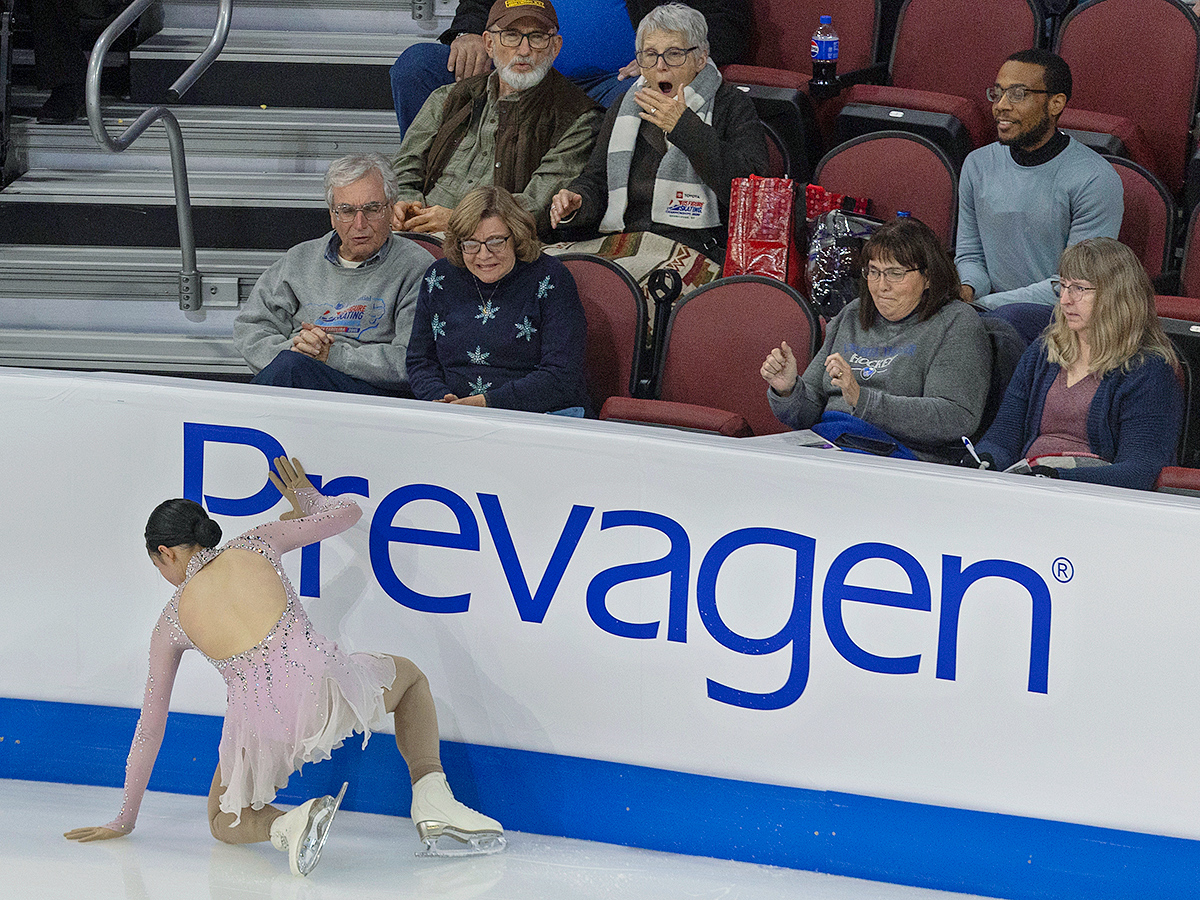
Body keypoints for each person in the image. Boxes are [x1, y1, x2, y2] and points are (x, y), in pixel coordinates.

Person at [65, 457, 505, 873]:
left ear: (166, 553)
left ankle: (288, 824)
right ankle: (431, 795)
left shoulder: (170, 622)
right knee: (409, 681)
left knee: (222, 817)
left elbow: (150, 726)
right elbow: (348, 512)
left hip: (261, 731)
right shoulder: (257, 541)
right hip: (328, 691)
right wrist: (308, 502)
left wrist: (124, 818)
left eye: (158, 564)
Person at [548, 2, 768, 264]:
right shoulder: (625, 105)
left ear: (701, 57)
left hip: (694, 246)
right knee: (539, 269)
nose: (661, 66)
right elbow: (596, 179)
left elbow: (754, 194)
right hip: (624, 240)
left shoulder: (731, 104)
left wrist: (685, 128)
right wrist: (577, 202)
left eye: (674, 54)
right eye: (650, 55)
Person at [761, 217, 991, 463]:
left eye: (895, 273)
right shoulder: (852, 314)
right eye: (874, 272)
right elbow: (806, 413)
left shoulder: (956, 322)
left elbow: (954, 418)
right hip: (829, 444)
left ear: (929, 277)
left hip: (897, 458)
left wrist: (863, 400)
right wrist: (788, 390)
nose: (882, 286)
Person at [971, 238, 1183, 490]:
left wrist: (1057, 479)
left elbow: (1139, 470)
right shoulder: (1044, 352)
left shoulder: (1148, 371)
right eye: (1062, 286)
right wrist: (986, 460)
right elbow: (1003, 436)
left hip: (1092, 499)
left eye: (1079, 289)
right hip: (1029, 486)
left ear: (1115, 295)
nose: (1065, 300)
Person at [389, 0, 604, 238]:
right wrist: (406, 205)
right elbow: (404, 168)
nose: (524, 50)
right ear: (489, 44)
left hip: (495, 243)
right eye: (511, 36)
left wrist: (457, 221)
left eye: (537, 37)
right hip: (417, 229)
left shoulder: (578, 118)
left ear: (555, 47)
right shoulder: (448, 97)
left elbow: (538, 206)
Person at [388, 0, 751, 137]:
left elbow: (727, 21)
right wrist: (468, 31)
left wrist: (662, 58)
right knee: (417, 66)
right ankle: (421, 193)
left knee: (641, 94)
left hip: (611, 81)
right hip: (513, 66)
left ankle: (587, 214)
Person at [234, 153, 431, 396]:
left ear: (391, 209)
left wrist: (331, 355)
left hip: (373, 394)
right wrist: (299, 350)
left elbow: (414, 359)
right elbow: (251, 330)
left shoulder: (417, 267)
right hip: (296, 376)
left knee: (288, 371)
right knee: (290, 368)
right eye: (346, 211)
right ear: (332, 214)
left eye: (371, 209)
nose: (359, 224)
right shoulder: (299, 259)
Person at [955, 49, 1123, 317]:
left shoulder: (1095, 178)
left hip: (1059, 319)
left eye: (1018, 94)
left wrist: (983, 307)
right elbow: (970, 255)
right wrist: (966, 291)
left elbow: (1075, 285)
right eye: (997, 93)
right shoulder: (978, 164)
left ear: (1056, 103)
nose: (1001, 105)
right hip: (984, 312)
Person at [406, 186, 589, 414]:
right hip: (451, 413)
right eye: (471, 243)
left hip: (537, 416)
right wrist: (441, 400)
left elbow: (561, 375)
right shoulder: (439, 277)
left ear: (516, 236)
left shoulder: (551, 278)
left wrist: (486, 403)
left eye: (495, 242)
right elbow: (420, 361)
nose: (483, 255)